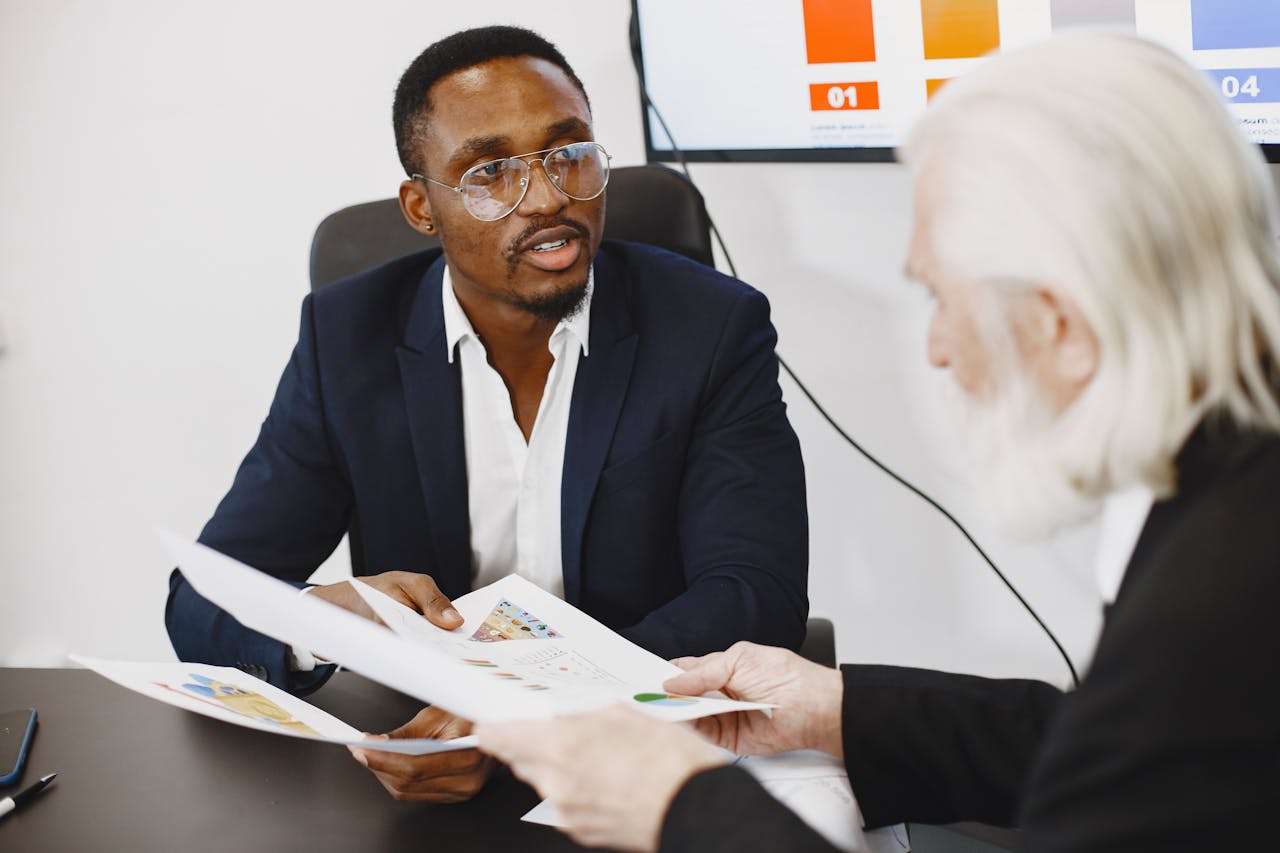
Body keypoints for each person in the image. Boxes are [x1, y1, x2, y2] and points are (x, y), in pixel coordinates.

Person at [477, 31, 1280, 852]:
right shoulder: (1229, 495)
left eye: (941, 297)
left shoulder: (1213, 606)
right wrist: (834, 711)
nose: (936, 347)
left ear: (1061, 325)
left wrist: (680, 806)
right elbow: (1108, 745)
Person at [164, 25, 809, 803]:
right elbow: (203, 597)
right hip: (429, 759)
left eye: (569, 153)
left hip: (646, 751)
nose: (547, 197)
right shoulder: (346, 340)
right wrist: (314, 622)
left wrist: (534, 712)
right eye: (490, 172)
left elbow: (754, 589)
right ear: (421, 206)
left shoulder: (710, 324)